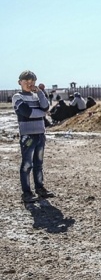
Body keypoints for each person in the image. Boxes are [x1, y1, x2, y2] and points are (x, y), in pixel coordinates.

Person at [12, 70, 55, 203]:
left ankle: (40, 188)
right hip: (27, 136)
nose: (30, 84)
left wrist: (40, 93)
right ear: (20, 82)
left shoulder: (37, 96)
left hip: (40, 135)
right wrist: (43, 113)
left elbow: (46, 105)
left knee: (39, 163)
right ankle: (26, 193)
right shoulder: (17, 97)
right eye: (27, 81)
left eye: (32, 81)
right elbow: (27, 113)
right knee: (26, 164)